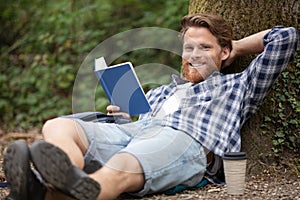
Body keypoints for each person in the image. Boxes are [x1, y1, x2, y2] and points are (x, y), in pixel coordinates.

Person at [3, 13, 298, 200]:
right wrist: (121, 118)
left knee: (120, 166)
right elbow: (136, 131)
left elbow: (286, 38)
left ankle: (45, 188)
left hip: (186, 140)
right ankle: (61, 175)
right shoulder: (161, 91)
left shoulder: (238, 86)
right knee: (58, 125)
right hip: (138, 132)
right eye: (188, 47)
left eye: (204, 48)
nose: (194, 55)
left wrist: (236, 48)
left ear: (224, 52)